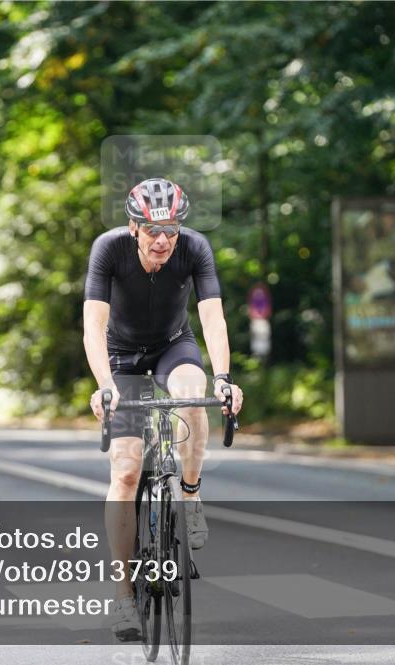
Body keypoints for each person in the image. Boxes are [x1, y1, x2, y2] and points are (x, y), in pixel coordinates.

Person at [83, 177, 244, 641]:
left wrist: (223, 377)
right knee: (127, 471)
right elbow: (94, 327)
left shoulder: (194, 249)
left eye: (171, 230)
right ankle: (123, 598)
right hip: (122, 356)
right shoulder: (108, 250)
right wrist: (106, 387)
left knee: (194, 395)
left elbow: (212, 317)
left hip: (175, 345)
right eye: (152, 231)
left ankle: (190, 495)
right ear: (133, 228)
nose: (162, 240)